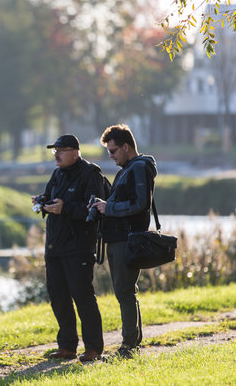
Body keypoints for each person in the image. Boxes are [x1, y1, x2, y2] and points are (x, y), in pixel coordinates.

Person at [33, 134, 105, 363]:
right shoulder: (57, 174)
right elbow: (51, 197)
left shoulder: (91, 173)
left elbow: (93, 209)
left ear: (75, 152)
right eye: (55, 150)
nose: (56, 154)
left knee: (83, 297)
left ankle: (93, 348)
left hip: (78, 246)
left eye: (61, 150)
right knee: (58, 296)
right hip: (54, 245)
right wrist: (42, 201)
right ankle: (67, 346)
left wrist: (65, 209)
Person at [90, 124, 157, 359]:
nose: (110, 156)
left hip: (127, 239)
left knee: (124, 291)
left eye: (113, 151)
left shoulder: (138, 168)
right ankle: (132, 342)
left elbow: (141, 204)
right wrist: (103, 205)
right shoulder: (129, 168)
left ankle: (129, 346)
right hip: (119, 238)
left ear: (126, 146)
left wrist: (110, 207)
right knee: (126, 290)